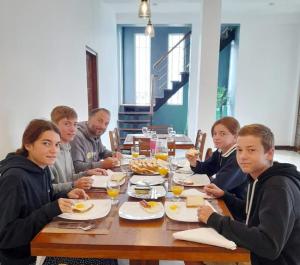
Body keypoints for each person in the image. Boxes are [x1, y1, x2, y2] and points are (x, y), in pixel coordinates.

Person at [198, 124, 300, 265]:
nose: (243, 156)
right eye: (239, 150)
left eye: (251, 150)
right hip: (258, 253)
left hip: (268, 259)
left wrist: (215, 219)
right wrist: (224, 195)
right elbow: (251, 212)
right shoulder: (259, 177)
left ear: (269, 153)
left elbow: (269, 245)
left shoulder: (277, 188)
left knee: (202, 256)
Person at [0, 119, 88, 265]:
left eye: (57, 144)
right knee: (100, 258)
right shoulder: (14, 179)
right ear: (28, 144)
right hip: (28, 257)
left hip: (44, 240)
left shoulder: (42, 167)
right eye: (46, 143)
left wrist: (65, 195)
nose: (54, 150)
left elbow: (41, 200)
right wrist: (50, 210)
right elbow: (5, 236)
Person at [186, 116, 247, 199]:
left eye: (222, 134)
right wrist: (193, 162)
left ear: (235, 137)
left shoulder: (237, 157)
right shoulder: (220, 152)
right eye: (214, 134)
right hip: (221, 197)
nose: (216, 137)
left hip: (234, 204)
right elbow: (206, 169)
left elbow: (219, 185)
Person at [50, 106, 107, 192]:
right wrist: (73, 185)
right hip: (61, 200)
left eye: (75, 124)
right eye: (66, 124)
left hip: (70, 195)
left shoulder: (67, 147)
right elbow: (47, 190)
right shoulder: (50, 153)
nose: (73, 129)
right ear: (54, 126)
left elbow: (70, 177)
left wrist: (87, 173)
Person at [70, 108, 122, 172]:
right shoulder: (76, 136)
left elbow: (102, 152)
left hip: (95, 175)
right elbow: (76, 167)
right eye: (100, 121)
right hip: (83, 179)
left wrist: (113, 154)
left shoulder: (95, 133)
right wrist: (102, 164)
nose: (103, 126)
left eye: (106, 123)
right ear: (89, 119)